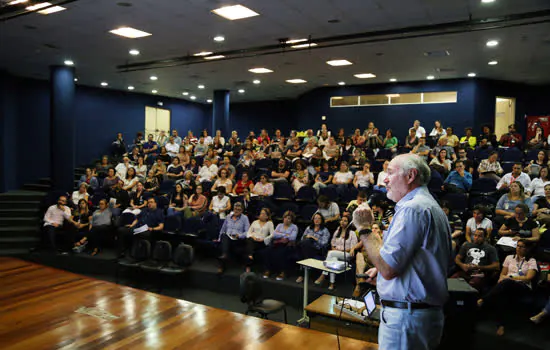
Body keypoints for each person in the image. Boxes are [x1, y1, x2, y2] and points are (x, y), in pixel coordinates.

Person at [358, 154, 451, 350]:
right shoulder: (430, 206)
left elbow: (389, 269)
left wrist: (365, 230)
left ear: (411, 176)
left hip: (406, 321)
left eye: (390, 173)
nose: (384, 179)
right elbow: (419, 260)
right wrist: (382, 273)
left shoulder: (412, 209)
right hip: (418, 317)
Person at [477, 240, 537, 336]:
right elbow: (502, 274)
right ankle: (501, 325)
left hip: (522, 286)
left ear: (527, 249)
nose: (518, 248)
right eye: (517, 246)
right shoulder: (509, 258)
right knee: (503, 295)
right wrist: (500, 282)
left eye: (522, 246)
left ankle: (483, 300)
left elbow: (528, 278)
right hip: (505, 285)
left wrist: (511, 278)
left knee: (507, 282)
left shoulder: (531, 261)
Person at [315, 216, 358, 290]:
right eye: (342, 220)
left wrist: (340, 251)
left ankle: (323, 274)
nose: (342, 222)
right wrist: (334, 249)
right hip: (336, 253)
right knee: (333, 259)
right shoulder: (337, 231)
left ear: (348, 223)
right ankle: (332, 283)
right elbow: (332, 243)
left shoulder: (352, 233)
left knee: (331, 254)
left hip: (346, 254)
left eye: (345, 221)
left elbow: (352, 248)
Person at [263, 211, 299, 280]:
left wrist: (280, 234)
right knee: (268, 250)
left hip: (288, 245)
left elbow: (292, 237)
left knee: (282, 252)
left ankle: (282, 272)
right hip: (277, 243)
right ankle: (268, 270)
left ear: (291, 220)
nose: (286, 220)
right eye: (285, 218)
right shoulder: (279, 225)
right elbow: (274, 234)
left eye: (289, 218)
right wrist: (285, 235)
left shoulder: (294, 227)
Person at [295, 213, 330, 283]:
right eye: (315, 218)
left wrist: (314, 238)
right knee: (305, 243)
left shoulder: (325, 230)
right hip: (307, 248)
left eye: (319, 218)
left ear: (322, 220)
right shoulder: (309, 228)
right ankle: (305, 272)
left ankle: (302, 275)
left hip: (318, 249)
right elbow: (302, 238)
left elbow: (324, 243)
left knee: (305, 245)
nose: (316, 220)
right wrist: (307, 238)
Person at [217, 202, 251, 274]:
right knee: (223, 236)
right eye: (235, 209)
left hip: (238, 240)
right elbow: (223, 229)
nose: (236, 211)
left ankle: (222, 264)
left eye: (239, 209)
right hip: (228, 238)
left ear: (242, 211)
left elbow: (247, 232)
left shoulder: (245, 218)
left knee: (225, 245)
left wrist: (239, 235)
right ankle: (224, 256)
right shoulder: (228, 217)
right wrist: (219, 239)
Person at [245, 208, 274, 272]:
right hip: (253, 240)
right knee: (250, 240)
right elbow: (248, 232)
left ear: (267, 216)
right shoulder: (255, 222)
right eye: (261, 213)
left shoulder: (269, 223)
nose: (261, 215)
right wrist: (253, 237)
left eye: (263, 214)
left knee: (250, 245)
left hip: (262, 241)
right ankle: (250, 256)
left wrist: (263, 239)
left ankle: (249, 260)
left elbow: (272, 235)